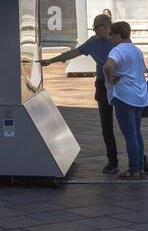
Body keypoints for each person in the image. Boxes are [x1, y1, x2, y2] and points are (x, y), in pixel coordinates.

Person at [48, 14, 119, 173]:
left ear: (107, 27)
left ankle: (141, 160)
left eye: (97, 29)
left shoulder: (117, 40)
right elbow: (73, 53)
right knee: (106, 126)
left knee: (128, 124)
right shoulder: (93, 42)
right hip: (102, 85)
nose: (95, 32)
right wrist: (50, 61)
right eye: (93, 29)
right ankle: (112, 160)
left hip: (120, 84)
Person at [103, 21, 148, 180]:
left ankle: (134, 169)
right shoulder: (136, 50)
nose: (110, 37)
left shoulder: (117, 50)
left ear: (118, 34)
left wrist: (110, 78)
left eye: (112, 34)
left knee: (129, 134)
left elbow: (107, 66)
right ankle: (139, 166)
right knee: (137, 133)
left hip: (124, 96)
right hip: (140, 96)